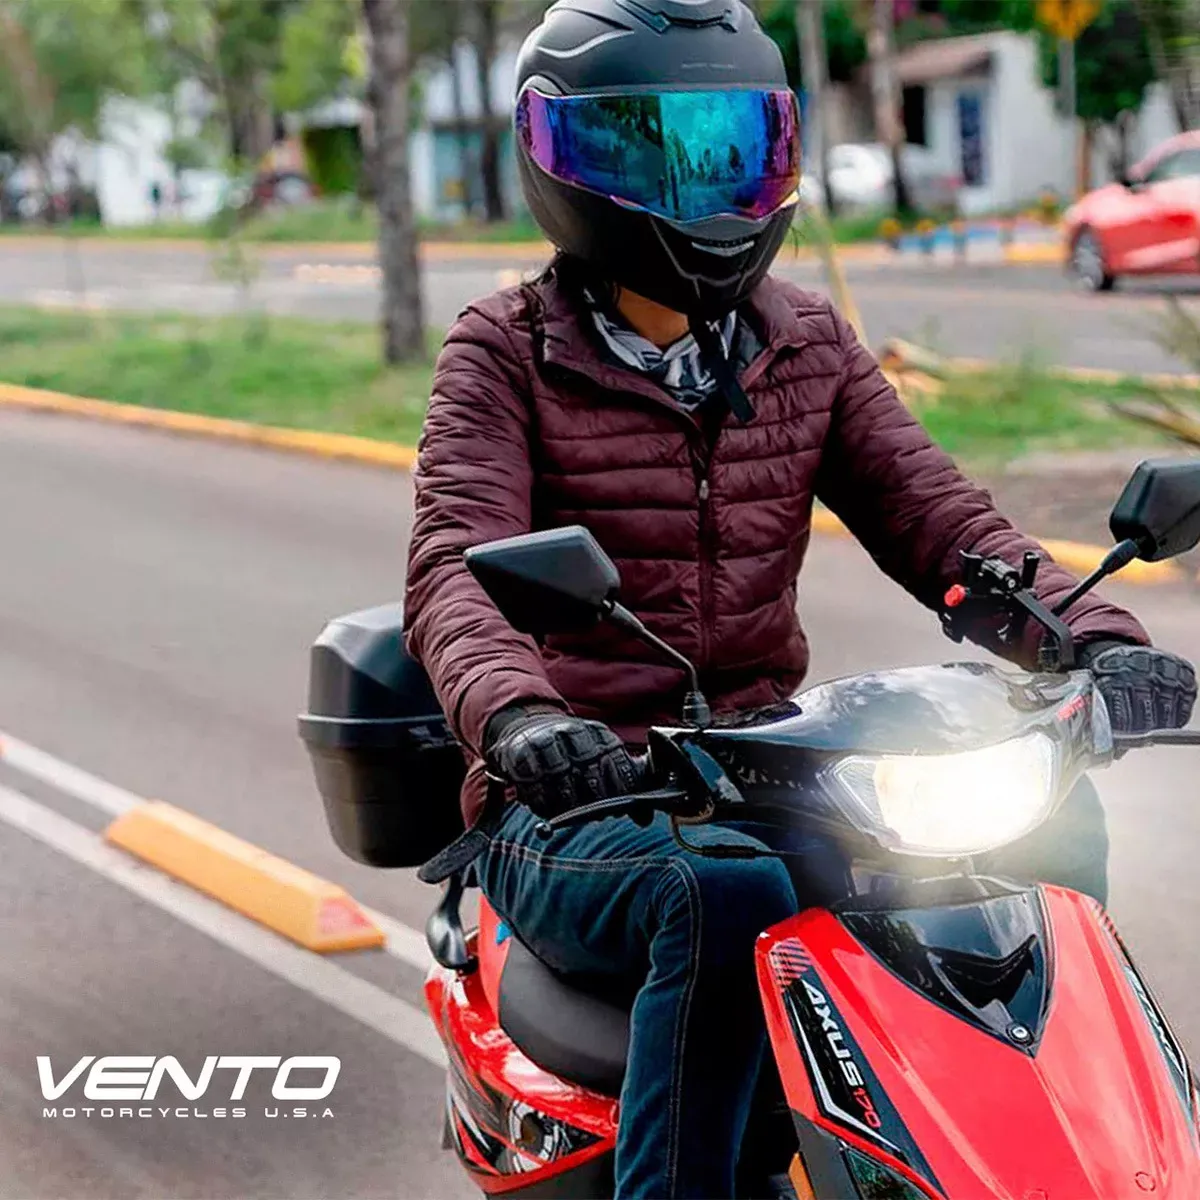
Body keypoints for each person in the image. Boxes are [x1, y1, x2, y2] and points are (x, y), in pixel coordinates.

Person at [404, 2, 1197, 1196]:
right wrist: (523, 720)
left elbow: (947, 526)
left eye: (728, 148)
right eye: (641, 150)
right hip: (579, 797)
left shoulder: (803, 343)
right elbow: (455, 574)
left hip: (767, 769)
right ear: (556, 162)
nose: (695, 190)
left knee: (1050, 825)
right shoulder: (504, 350)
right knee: (720, 890)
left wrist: (1095, 638)